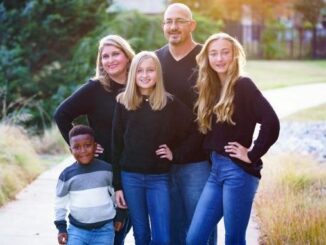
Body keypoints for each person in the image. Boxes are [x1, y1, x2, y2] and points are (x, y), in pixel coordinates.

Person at [186, 32, 280, 245]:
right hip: (215, 171)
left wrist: (253, 153)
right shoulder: (210, 88)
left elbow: (271, 121)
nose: (219, 59)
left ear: (235, 55)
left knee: (234, 239)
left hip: (237, 172)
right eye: (214, 54)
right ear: (207, 58)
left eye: (224, 53)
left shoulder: (243, 85)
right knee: (194, 238)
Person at [54, 34, 135, 245]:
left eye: (115, 54)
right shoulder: (94, 89)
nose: (110, 60)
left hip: (138, 169)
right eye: (105, 56)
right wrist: (84, 149)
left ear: (127, 56)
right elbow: (61, 115)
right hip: (106, 172)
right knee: (114, 232)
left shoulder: (140, 83)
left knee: (134, 229)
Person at [112, 51, 198, 245]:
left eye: (150, 70)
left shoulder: (169, 103)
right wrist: (117, 185)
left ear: (158, 73)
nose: (145, 75)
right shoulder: (123, 102)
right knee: (141, 235)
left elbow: (196, 129)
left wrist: (175, 154)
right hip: (130, 177)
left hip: (159, 178)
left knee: (163, 238)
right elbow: (116, 144)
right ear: (133, 74)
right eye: (139, 70)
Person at [156, 3, 216, 244]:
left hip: (198, 161)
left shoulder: (206, 58)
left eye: (179, 21)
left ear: (192, 25)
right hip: (162, 161)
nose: (173, 26)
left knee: (201, 228)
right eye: (168, 21)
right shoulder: (156, 59)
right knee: (171, 228)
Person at [54, 125, 116, 245]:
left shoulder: (107, 170)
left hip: (105, 230)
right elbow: (59, 203)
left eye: (87, 145)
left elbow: (116, 195)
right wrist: (61, 228)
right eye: (77, 147)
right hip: (77, 230)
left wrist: (120, 216)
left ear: (95, 146)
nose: (83, 151)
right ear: (70, 150)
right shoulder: (67, 175)